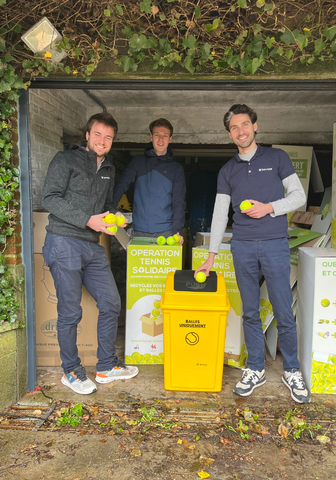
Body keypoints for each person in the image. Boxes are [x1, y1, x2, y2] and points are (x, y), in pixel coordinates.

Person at [195, 104, 310, 404]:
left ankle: (293, 370)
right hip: (242, 246)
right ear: (229, 133)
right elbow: (221, 215)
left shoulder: (277, 158)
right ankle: (255, 367)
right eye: (234, 127)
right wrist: (210, 255)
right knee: (249, 311)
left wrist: (269, 207)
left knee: (283, 308)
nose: (241, 131)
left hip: (274, 243)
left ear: (255, 126)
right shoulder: (228, 170)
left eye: (245, 124)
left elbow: (299, 197)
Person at [42, 112, 139, 395]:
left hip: (91, 245)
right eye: (98, 134)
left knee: (111, 302)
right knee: (70, 312)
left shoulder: (108, 168)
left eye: (108, 137)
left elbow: (105, 206)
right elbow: (49, 198)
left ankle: (106, 366)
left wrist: (115, 219)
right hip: (64, 241)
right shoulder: (66, 160)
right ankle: (71, 371)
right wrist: (88, 219)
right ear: (87, 135)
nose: (102, 140)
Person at [112, 118, 186, 243]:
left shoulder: (176, 169)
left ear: (170, 139)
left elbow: (179, 202)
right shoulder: (138, 162)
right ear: (151, 137)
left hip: (166, 232)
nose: (161, 140)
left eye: (165, 136)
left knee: (164, 264)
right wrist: (111, 209)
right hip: (139, 230)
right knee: (139, 263)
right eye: (157, 135)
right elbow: (121, 185)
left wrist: (178, 231)